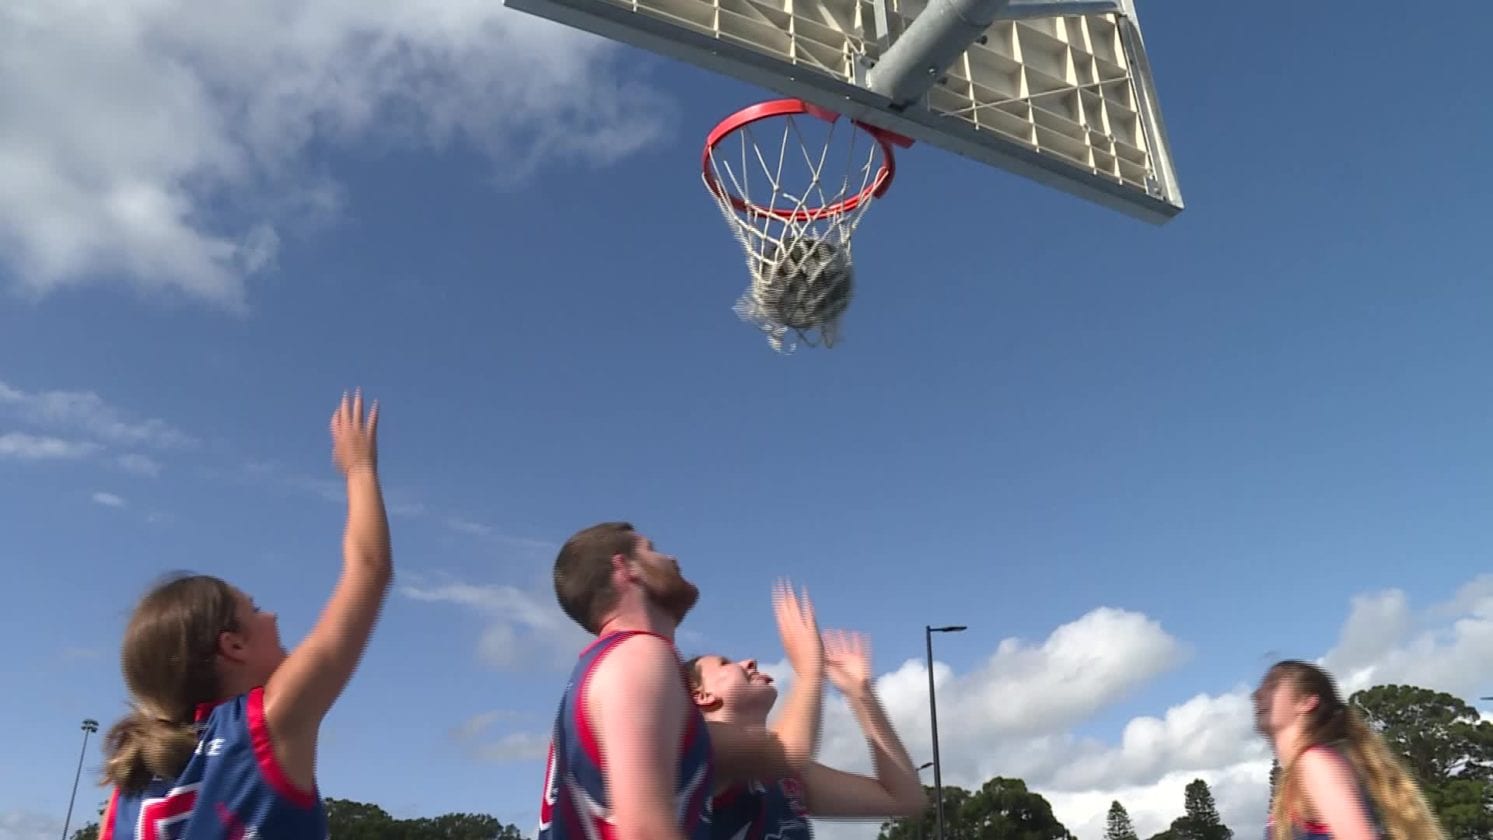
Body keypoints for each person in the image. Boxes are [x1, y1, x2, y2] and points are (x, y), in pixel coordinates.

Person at [97, 391, 392, 840]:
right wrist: (359, 467)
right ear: (231, 645)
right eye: (253, 611)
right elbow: (369, 571)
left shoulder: (130, 782)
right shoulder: (265, 724)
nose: (272, 615)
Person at [539, 522, 824, 840]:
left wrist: (816, 674)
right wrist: (811, 669)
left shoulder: (608, 668)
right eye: (651, 548)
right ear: (624, 566)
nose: (672, 557)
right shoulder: (639, 654)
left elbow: (782, 755)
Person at [685, 628, 926, 839]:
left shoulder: (788, 776)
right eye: (725, 663)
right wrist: (809, 672)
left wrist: (861, 695)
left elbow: (904, 799)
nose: (750, 661)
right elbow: (789, 752)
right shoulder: (698, 749)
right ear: (701, 696)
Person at [1254, 659, 1445, 840]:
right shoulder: (1301, 771)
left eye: (1273, 685)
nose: (1257, 694)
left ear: (1306, 702)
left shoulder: (1315, 764)